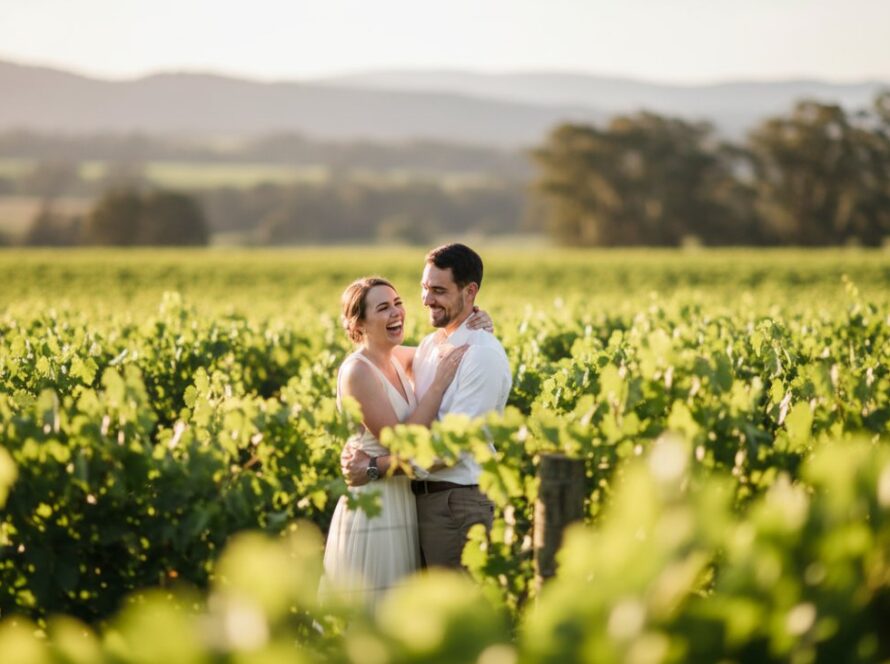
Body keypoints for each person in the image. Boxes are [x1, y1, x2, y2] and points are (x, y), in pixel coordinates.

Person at [321, 276, 493, 605]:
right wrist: (438, 385)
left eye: (398, 303)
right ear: (358, 323)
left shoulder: (398, 358)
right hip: (376, 509)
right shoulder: (357, 371)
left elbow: (450, 348)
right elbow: (402, 444)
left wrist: (477, 320)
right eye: (383, 308)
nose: (396, 312)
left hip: (404, 501)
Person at [344, 244, 512, 570]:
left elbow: (447, 451)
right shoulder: (429, 347)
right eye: (423, 288)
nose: (426, 300)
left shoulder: (481, 355)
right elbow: (375, 357)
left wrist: (374, 466)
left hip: (457, 503)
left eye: (438, 290)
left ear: (470, 291)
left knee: (462, 614)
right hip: (417, 505)